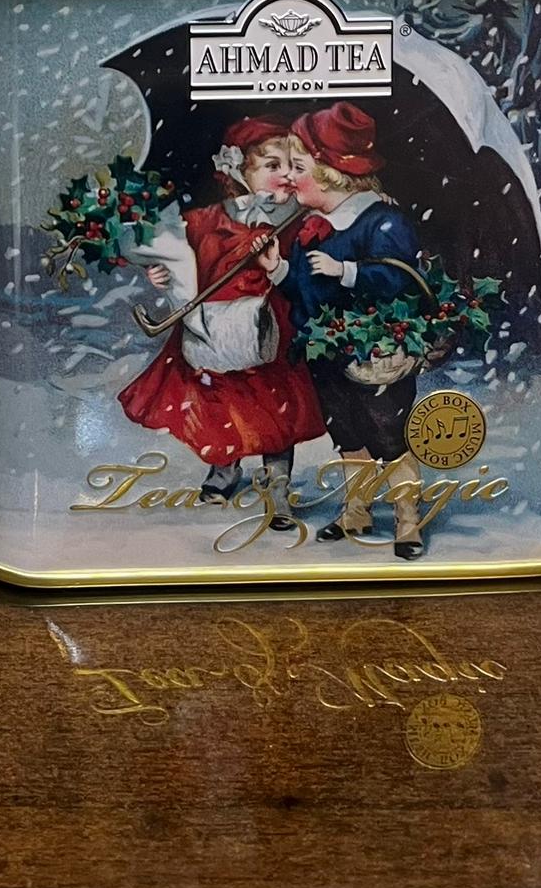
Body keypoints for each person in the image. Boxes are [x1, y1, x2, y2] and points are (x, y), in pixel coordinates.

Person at [118, 117, 324, 524]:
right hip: (211, 325)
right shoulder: (203, 220)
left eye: (291, 164)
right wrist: (159, 273)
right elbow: (180, 262)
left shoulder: (298, 219)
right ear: (237, 170)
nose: (286, 174)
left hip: (270, 326)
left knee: (276, 407)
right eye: (272, 165)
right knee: (219, 402)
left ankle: (277, 486)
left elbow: (306, 269)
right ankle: (225, 467)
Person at [277, 101, 427, 559]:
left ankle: (407, 519)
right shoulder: (312, 226)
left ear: (330, 174)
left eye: (298, 167)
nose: (288, 178)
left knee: (389, 436)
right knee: (346, 434)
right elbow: (302, 289)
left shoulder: (382, 221)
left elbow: (400, 280)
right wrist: (277, 271)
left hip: (375, 356)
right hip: (326, 355)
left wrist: (346, 271)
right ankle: (357, 510)